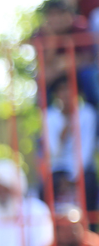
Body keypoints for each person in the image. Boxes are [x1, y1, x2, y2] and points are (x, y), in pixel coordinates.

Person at [42, 75, 99, 212]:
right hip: (59, 169)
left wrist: (73, 177)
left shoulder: (88, 114)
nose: (65, 94)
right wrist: (65, 128)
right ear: (56, 94)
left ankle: (90, 223)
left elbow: (87, 150)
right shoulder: (49, 117)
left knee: (89, 185)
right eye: (61, 90)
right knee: (44, 190)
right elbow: (53, 153)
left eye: (69, 89)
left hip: (83, 169)